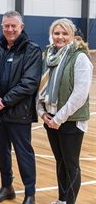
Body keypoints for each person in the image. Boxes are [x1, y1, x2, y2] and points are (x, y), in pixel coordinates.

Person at [0, 10, 42, 204]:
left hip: (19, 112)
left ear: (21, 27)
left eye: (13, 26)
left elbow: (29, 83)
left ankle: (30, 193)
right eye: (6, 26)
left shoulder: (32, 49)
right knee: (2, 152)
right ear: (2, 27)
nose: (9, 29)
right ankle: (7, 187)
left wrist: (5, 101)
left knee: (23, 153)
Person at [36, 19, 93, 204]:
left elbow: (80, 95)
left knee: (71, 164)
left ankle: (70, 202)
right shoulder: (49, 55)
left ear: (71, 35)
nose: (60, 37)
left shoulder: (80, 57)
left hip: (70, 120)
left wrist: (59, 118)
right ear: (51, 35)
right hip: (50, 118)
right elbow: (41, 87)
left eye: (64, 33)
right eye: (56, 33)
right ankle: (62, 201)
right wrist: (42, 112)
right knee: (60, 161)